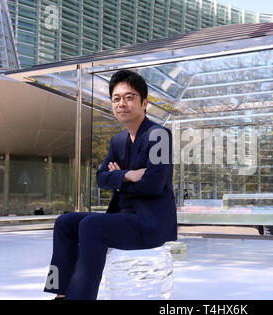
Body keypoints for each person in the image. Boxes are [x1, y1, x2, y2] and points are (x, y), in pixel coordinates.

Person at [43, 70, 177, 300]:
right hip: (121, 218)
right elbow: (100, 177)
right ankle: (60, 293)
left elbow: (153, 185)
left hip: (148, 225)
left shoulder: (159, 135)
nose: (121, 103)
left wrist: (118, 179)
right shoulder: (118, 140)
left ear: (144, 103)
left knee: (91, 226)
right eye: (116, 98)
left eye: (129, 97)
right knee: (65, 222)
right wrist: (128, 175)